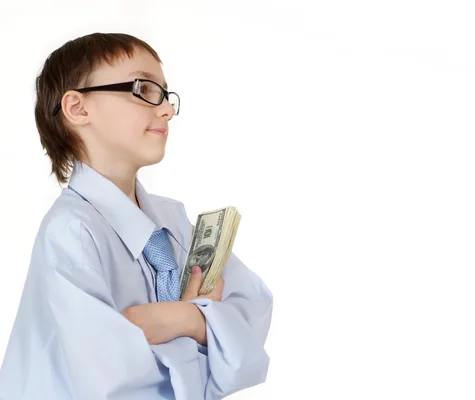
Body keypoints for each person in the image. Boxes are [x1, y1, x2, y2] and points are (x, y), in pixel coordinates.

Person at [0, 32, 273, 400]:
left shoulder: (171, 221)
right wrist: (208, 330)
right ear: (78, 108)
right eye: (143, 89)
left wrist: (182, 318)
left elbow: (252, 322)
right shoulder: (72, 233)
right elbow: (114, 384)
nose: (167, 109)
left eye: (165, 94)